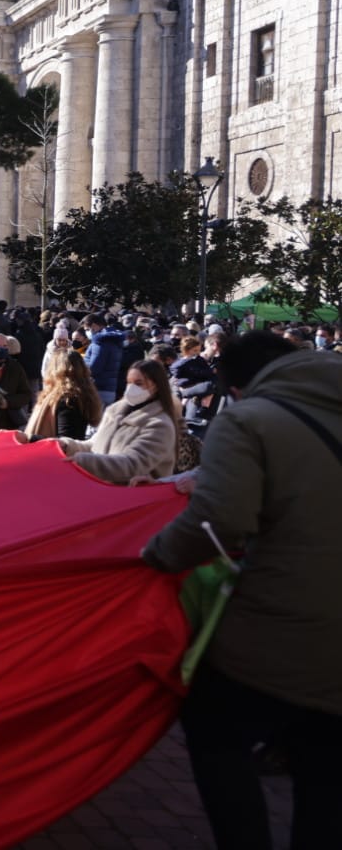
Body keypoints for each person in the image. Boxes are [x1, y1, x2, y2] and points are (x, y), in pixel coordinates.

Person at [142, 332, 342, 850]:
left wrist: (157, 554)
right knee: (325, 777)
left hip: (285, 628)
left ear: (233, 383)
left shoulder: (251, 419)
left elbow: (219, 520)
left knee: (215, 734)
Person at [42, 358, 177, 484]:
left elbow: (132, 465)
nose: (131, 388)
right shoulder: (115, 411)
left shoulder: (159, 425)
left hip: (134, 500)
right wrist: (67, 446)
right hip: (102, 490)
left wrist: (83, 461)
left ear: (156, 386)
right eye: (129, 382)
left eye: (139, 383)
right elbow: (94, 446)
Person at [23, 347, 104, 442]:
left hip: (56, 455)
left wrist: (29, 438)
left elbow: (66, 441)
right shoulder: (77, 394)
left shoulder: (68, 400)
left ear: (56, 371)